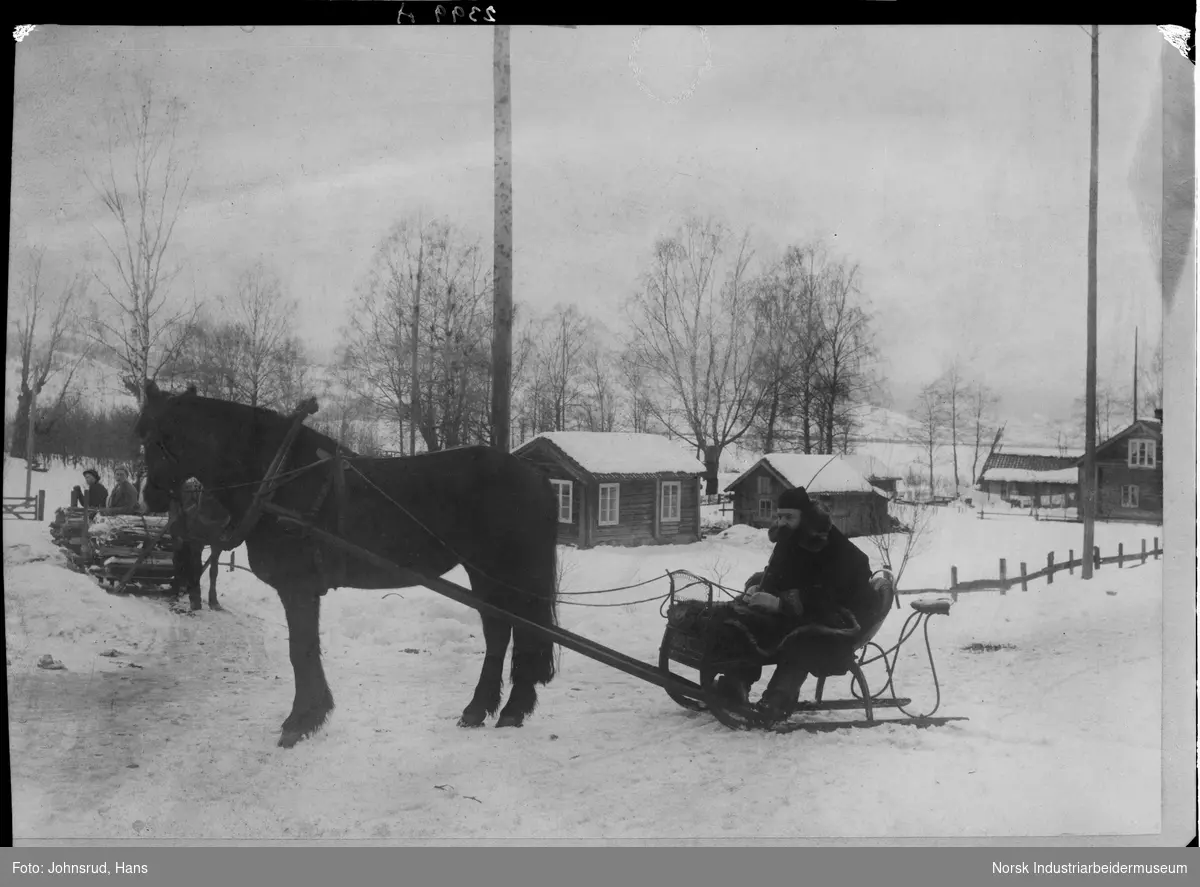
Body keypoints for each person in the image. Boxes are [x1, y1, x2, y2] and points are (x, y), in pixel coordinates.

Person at [714, 486, 879, 722]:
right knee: (748, 620)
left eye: (789, 517)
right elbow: (779, 574)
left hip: (847, 617)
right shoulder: (792, 537)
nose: (782, 522)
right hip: (816, 609)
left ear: (806, 517)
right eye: (779, 516)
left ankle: (778, 699)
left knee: (802, 638)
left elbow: (825, 594)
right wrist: (759, 588)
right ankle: (735, 686)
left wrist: (780, 604)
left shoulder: (829, 545)